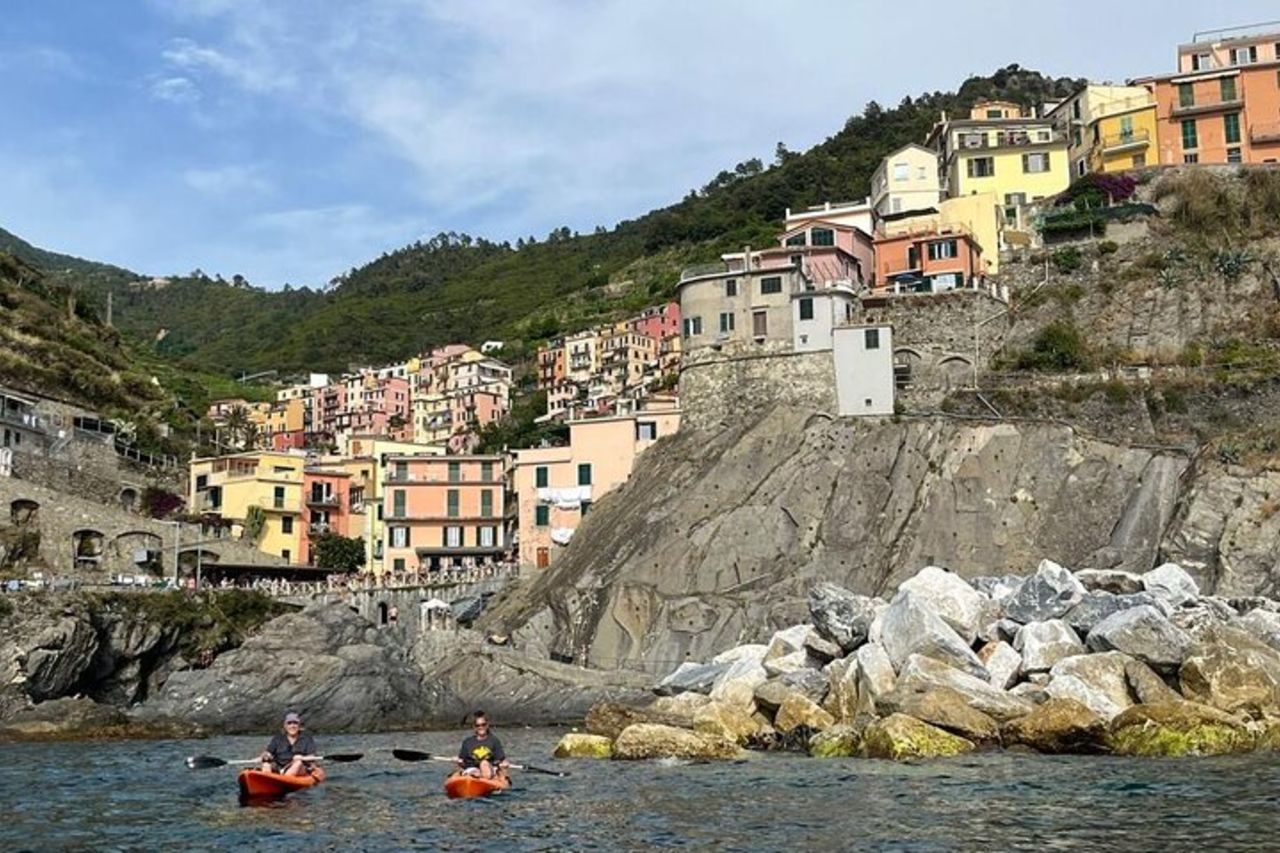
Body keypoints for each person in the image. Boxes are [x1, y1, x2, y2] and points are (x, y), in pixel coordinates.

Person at [258, 712, 317, 776]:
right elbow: (268, 752)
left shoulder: (307, 739)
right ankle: (268, 781)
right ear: (285, 726)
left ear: (299, 725)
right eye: (289, 723)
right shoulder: (278, 738)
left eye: (295, 723)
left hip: (300, 768)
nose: (292, 726)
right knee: (266, 764)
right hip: (280, 766)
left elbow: (311, 756)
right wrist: (266, 755)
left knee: (298, 763)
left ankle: (283, 780)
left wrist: (302, 757)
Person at [455, 710, 509, 780]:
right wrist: (458, 761)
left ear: (487, 725)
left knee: (484, 763)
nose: (481, 727)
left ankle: (483, 778)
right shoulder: (467, 742)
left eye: (483, 724)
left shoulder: (494, 741)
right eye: (477, 725)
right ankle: (476, 777)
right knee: (474, 771)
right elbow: (462, 761)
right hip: (472, 769)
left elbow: (502, 760)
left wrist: (504, 765)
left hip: (490, 769)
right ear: (474, 727)